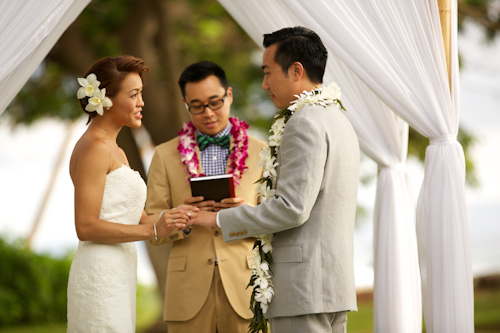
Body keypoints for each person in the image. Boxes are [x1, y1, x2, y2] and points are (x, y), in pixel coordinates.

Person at [189, 27, 360, 333]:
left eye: (268, 72)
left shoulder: (304, 122)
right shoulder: (338, 119)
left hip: (303, 287)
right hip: (331, 284)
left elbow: (292, 208)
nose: (265, 84)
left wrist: (217, 219)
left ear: (296, 71)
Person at [66, 56, 197, 333]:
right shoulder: (94, 148)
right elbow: (86, 226)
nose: (142, 103)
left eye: (141, 94)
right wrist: (155, 231)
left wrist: (174, 215)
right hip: (100, 274)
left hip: (120, 272)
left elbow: (136, 218)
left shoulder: (117, 150)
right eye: (134, 94)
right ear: (106, 99)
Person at [145, 61, 267, 333]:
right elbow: (151, 226)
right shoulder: (164, 155)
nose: (208, 113)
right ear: (185, 103)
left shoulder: (263, 152)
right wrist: (179, 218)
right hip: (186, 293)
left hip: (245, 287)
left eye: (215, 102)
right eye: (197, 106)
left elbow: (277, 221)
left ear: (230, 95)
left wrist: (246, 212)